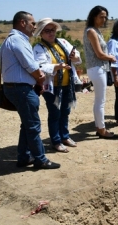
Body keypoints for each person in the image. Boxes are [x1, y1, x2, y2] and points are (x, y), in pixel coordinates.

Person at [1, 11, 60, 169]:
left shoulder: (11, 40)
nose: (35, 27)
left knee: (27, 124)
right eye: (32, 23)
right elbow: (32, 67)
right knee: (33, 125)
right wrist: (40, 80)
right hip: (21, 90)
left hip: (17, 88)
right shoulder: (18, 40)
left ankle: (24, 156)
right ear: (22, 23)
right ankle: (40, 159)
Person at [33, 18, 81, 153]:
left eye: (52, 30)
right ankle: (56, 140)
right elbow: (40, 65)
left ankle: (64, 136)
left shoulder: (63, 43)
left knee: (65, 111)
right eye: (47, 31)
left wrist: (75, 56)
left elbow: (76, 57)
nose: (51, 33)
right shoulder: (39, 48)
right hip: (52, 86)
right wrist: (56, 66)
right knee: (55, 113)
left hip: (67, 84)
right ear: (41, 33)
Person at [83, 5, 118, 139]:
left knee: (99, 100)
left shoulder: (95, 30)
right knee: (100, 101)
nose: (104, 19)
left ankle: (100, 127)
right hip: (97, 68)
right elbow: (99, 54)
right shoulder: (92, 31)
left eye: (105, 17)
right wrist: (111, 57)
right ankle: (102, 130)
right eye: (101, 17)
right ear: (94, 17)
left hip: (98, 68)